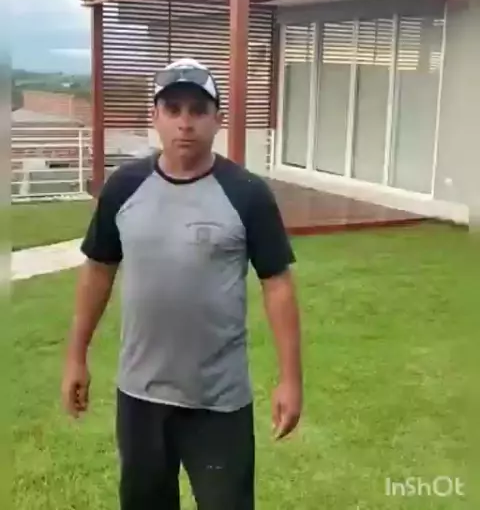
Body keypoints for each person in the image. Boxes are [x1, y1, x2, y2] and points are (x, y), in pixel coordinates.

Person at [61, 58, 303, 510]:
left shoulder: (247, 193)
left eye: (197, 110)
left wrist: (290, 380)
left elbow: (277, 284)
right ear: (155, 117)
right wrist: (76, 356)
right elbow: (98, 270)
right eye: (173, 109)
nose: (185, 123)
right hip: (140, 397)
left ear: (217, 119)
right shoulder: (124, 187)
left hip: (219, 402)